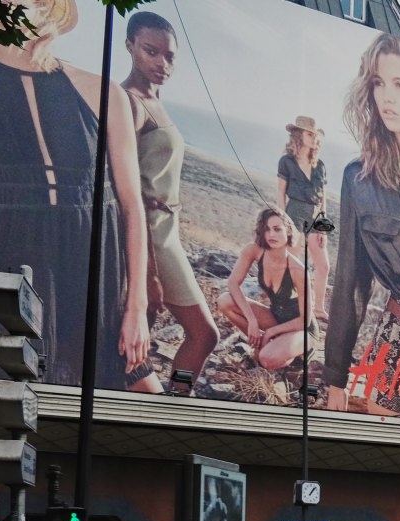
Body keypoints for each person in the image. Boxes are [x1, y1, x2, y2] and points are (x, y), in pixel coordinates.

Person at [0, 0, 151, 393]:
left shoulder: (103, 92)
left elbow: (132, 208)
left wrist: (137, 307)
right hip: (11, 274)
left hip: (91, 279)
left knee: (116, 413)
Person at [325, 34, 400, 416]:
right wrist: (334, 381)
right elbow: (350, 284)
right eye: (378, 83)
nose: (386, 97)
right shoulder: (360, 180)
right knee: (392, 466)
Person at [121, 10, 218, 395]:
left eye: (170, 56)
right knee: (200, 334)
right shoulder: (127, 103)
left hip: (168, 234)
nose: (162, 63)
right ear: (130, 46)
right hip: (149, 238)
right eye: (151, 51)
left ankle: (172, 404)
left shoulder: (153, 100)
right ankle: (155, 411)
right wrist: (148, 275)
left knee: (203, 336)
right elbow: (125, 190)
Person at [216, 208, 311, 371]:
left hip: (299, 329)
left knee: (266, 359)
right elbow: (233, 283)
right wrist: (251, 320)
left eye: (277, 229)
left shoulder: (298, 271)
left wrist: (271, 332)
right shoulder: (254, 251)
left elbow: (305, 321)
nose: (271, 235)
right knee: (225, 301)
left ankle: (294, 354)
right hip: (275, 316)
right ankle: (262, 344)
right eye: (267, 229)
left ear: (288, 231)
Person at [277, 115, 330, 320]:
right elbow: (280, 194)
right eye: (310, 134)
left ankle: (318, 309)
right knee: (295, 265)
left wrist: (324, 228)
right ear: (298, 135)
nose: (314, 138)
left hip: (315, 216)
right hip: (294, 213)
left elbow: (323, 199)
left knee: (323, 265)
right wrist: (284, 222)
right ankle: (295, 306)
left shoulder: (321, 165)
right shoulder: (286, 162)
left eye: (315, 135)